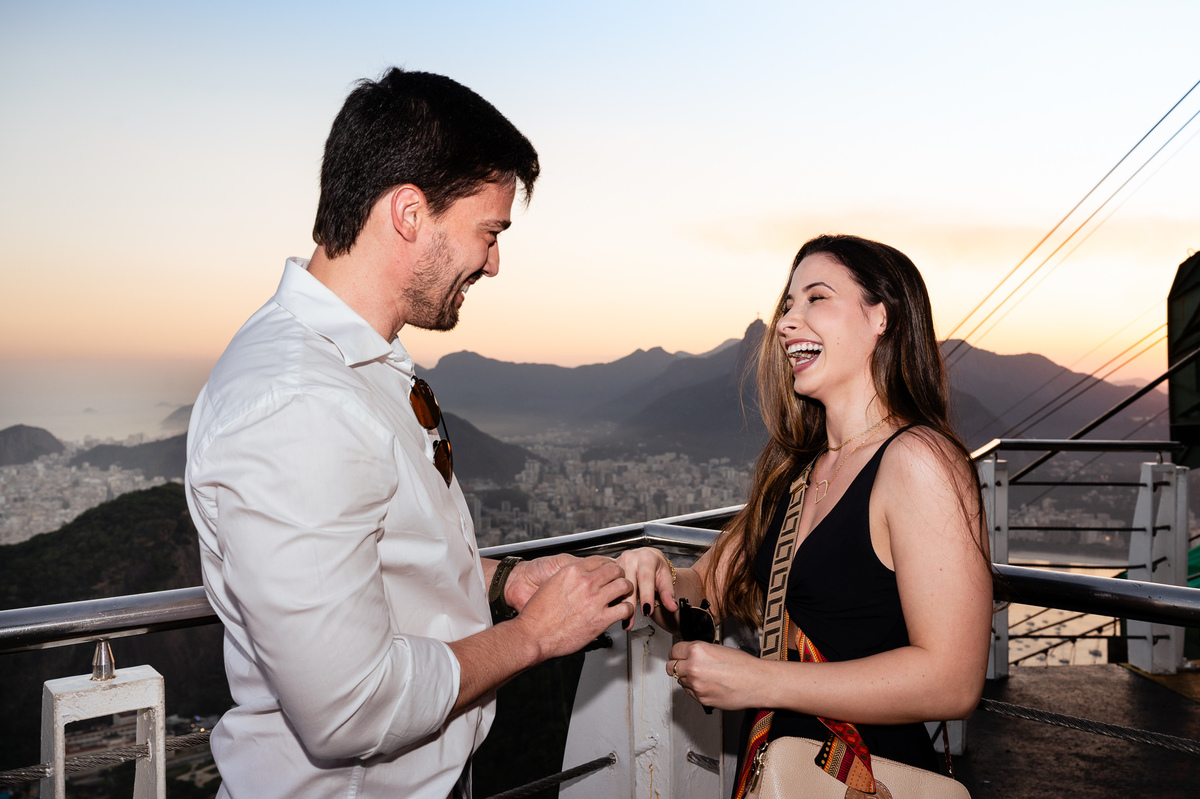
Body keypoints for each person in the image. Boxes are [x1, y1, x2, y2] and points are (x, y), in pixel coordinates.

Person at [184, 68, 634, 799]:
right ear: (409, 213)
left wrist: (503, 580)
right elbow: (351, 708)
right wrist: (534, 634)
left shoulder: (360, 363)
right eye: (488, 232)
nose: (494, 261)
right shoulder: (295, 402)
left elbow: (378, 550)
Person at [618, 234, 993, 784]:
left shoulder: (918, 460)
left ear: (880, 318)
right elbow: (706, 585)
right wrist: (658, 571)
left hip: (868, 778)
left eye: (816, 298)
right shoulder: (797, 471)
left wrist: (760, 682)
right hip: (785, 776)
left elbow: (953, 681)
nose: (788, 322)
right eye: (788, 305)